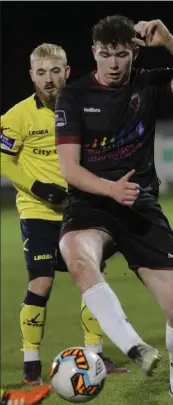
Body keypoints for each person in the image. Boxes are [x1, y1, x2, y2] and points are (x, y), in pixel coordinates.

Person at [55, 15, 173, 405]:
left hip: (140, 205)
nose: (113, 63)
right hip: (93, 203)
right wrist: (109, 188)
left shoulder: (148, 83)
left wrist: (170, 39)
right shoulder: (74, 97)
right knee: (78, 257)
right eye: (105, 54)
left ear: (134, 53)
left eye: (121, 54)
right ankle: (133, 346)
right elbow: (70, 169)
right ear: (94, 53)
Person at [1, 43, 127, 386]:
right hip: (37, 210)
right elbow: (2, 159)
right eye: (41, 72)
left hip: (80, 210)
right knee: (41, 282)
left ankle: (97, 355)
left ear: (67, 72)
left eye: (55, 71)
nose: (49, 79)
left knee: (92, 281)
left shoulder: (83, 109)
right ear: (32, 76)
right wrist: (38, 187)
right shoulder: (16, 117)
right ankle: (30, 365)